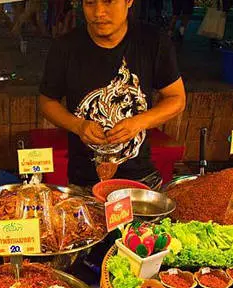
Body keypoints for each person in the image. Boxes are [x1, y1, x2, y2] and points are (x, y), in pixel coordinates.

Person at [39, 0, 186, 188]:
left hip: (140, 178)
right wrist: (78, 125)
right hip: (83, 182)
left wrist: (138, 123)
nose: (99, 12)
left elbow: (176, 98)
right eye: (90, 3)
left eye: (108, 2)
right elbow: (47, 101)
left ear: (128, 1)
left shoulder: (152, 41)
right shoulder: (65, 47)